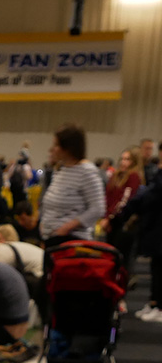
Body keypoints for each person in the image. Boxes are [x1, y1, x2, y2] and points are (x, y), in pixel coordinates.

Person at [38, 123, 105, 243]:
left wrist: (66, 228)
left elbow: (98, 208)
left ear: (69, 148)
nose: (52, 149)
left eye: (56, 145)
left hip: (71, 240)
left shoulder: (87, 171)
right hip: (51, 238)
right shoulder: (61, 169)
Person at [114, 164, 162, 321]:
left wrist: (128, 211)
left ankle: (159, 306)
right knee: (156, 268)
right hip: (153, 227)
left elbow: (149, 197)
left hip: (157, 226)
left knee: (159, 269)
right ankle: (154, 303)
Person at [103, 147, 143, 256]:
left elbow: (124, 200)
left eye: (127, 159)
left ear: (133, 162)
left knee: (119, 257)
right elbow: (108, 197)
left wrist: (110, 217)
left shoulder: (133, 176)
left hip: (122, 222)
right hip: (110, 221)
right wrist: (106, 216)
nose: (123, 162)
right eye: (122, 159)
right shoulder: (115, 176)